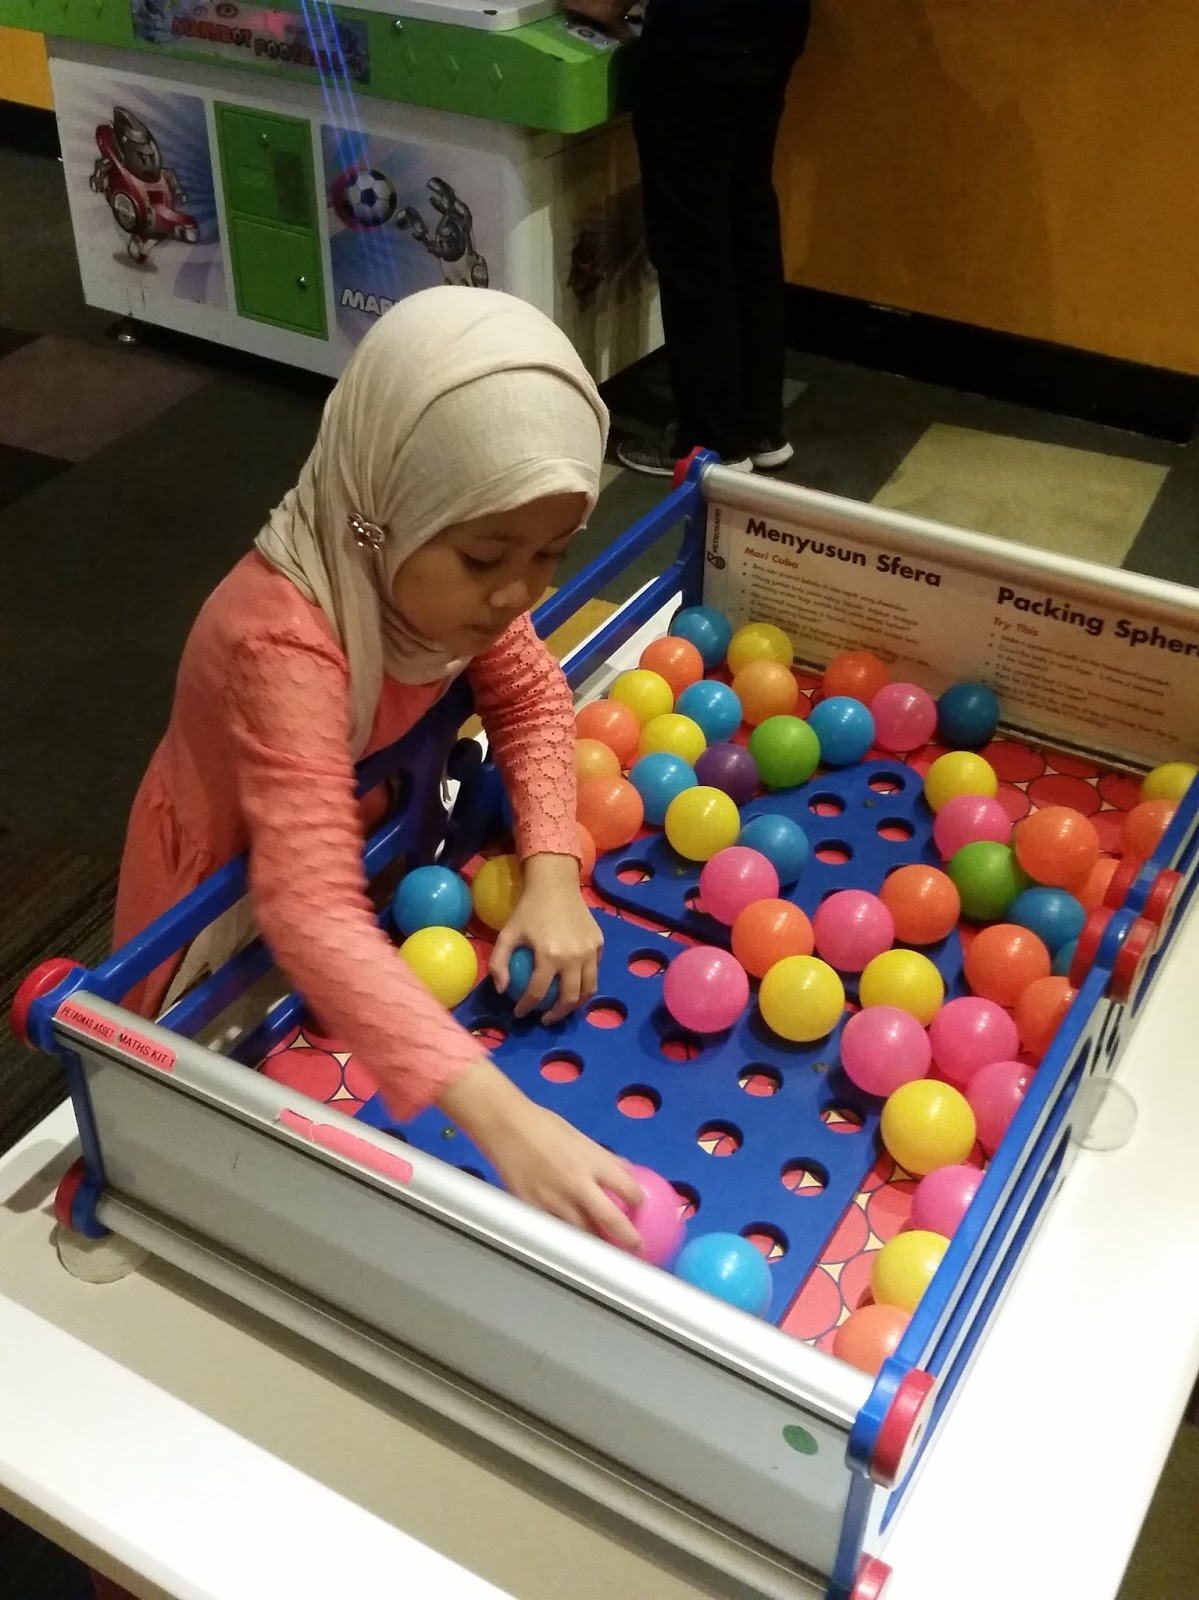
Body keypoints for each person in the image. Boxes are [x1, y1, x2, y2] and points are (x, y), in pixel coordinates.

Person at [113, 286, 643, 1251]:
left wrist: (554, 870)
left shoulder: (450, 585)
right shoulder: (280, 644)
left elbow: (530, 693)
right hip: (227, 891)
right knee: (181, 1095)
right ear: (379, 514)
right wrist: (507, 1123)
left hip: (355, 833)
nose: (517, 592)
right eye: (486, 557)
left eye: (552, 554)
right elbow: (307, 909)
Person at [567, 0, 811, 476]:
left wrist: (602, 6)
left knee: (692, 235)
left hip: (702, 34)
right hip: (776, 24)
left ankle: (710, 440)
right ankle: (760, 427)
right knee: (747, 215)